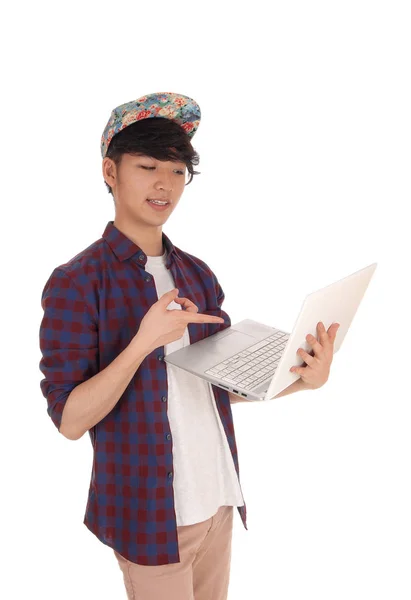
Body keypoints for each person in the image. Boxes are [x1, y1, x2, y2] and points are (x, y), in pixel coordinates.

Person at [39, 91, 246, 600]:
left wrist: (300, 378)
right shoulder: (77, 282)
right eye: (149, 166)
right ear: (111, 172)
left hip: (218, 498)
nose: (164, 184)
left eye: (177, 171)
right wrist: (142, 345)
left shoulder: (197, 274)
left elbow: (217, 385)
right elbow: (69, 420)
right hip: (152, 517)